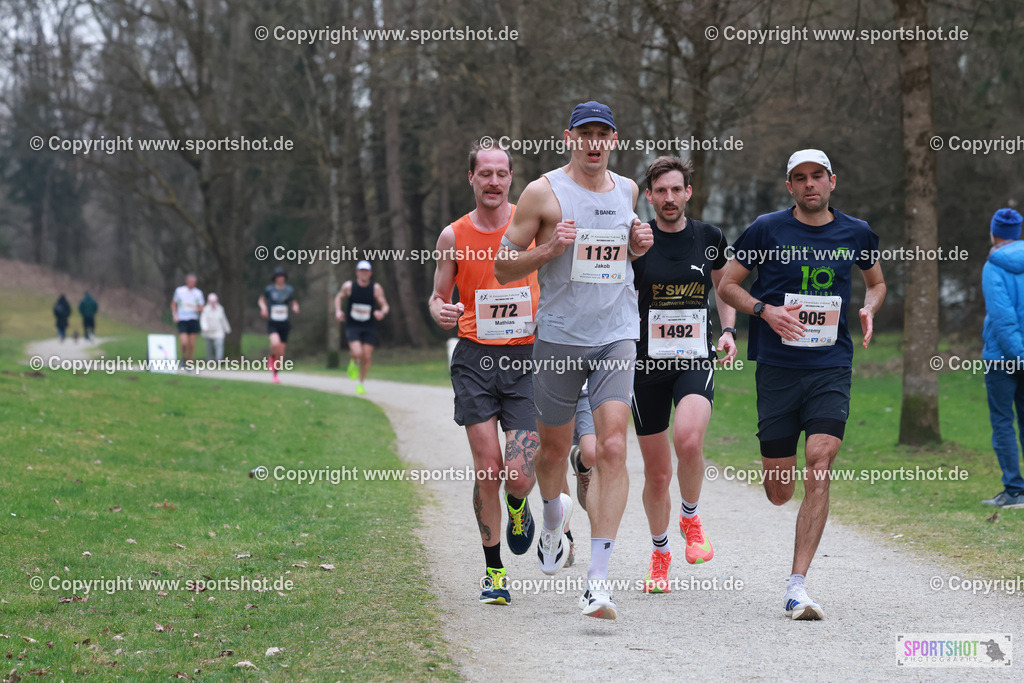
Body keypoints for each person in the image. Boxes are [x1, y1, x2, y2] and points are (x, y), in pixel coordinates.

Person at [495, 101, 654, 619]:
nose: (593, 143)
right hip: (560, 339)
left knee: (611, 447)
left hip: (617, 334)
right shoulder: (543, 192)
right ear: (569, 137)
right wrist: (545, 251)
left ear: (614, 139)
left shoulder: (628, 190)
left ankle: (598, 580)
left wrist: (636, 246)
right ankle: (550, 516)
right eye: (584, 133)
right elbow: (501, 266)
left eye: (602, 134)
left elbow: (621, 254)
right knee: (551, 451)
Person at [718, 149, 886, 620]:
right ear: (789, 186)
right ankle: (778, 478)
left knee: (820, 460)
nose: (809, 184)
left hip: (830, 366)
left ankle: (797, 586)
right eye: (799, 178)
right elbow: (728, 284)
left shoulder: (856, 232)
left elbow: (876, 282)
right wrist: (763, 310)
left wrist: (870, 306)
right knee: (778, 489)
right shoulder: (766, 229)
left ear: (832, 181)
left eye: (817, 176)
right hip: (777, 369)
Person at [428, 141, 539, 605]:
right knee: (488, 467)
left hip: (526, 359)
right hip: (474, 359)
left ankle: (519, 505)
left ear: (511, 178)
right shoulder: (452, 236)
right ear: (470, 178)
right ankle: (494, 573)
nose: (493, 181)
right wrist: (441, 311)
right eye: (485, 173)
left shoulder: (531, 227)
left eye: (501, 173)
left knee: (518, 473)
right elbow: (437, 296)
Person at [631, 156, 738, 593]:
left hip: (694, 357)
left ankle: (691, 519)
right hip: (644, 365)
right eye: (661, 191)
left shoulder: (708, 236)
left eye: (677, 190)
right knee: (657, 475)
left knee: (689, 438)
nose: (669, 198)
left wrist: (729, 329)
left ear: (688, 192)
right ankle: (659, 555)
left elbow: (725, 286)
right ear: (650, 196)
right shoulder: (636, 240)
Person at [981, 207, 1024, 509]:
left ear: (994, 233)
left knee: (1003, 422)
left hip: (1001, 359)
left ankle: (1014, 491)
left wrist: (1018, 355)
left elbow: (1002, 317)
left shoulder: (993, 265)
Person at [335, 261, 390, 395]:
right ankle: (353, 362)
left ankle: (360, 383)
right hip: (353, 325)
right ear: (357, 272)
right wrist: (338, 311)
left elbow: (385, 305)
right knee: (358, 353)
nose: (364, 273)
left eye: (366, 271)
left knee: (366, 356)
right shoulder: (349, 286)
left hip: (369, 326)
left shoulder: (375, 288)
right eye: (361, 270)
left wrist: (381, 312)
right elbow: (338, 297)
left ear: (370, 273)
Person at [258, 267, 299, 384]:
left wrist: (295, 307)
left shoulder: (289, 290)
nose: (280, 279)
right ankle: (271, 356)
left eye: (281, 276)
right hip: (273, 322)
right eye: (277, 277)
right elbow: (261, 300)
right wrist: (264, 308)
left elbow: (294, 301)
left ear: (284, 277)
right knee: (275, 344)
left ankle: (275, 374)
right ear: (275, 278)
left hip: (285, 323)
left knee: (280, 352)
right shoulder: (269, 290)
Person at [171, 274, 204, 369]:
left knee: (192, 343)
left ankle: (189, 361)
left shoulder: (198, 293)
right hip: (183, 319)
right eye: (190, 281)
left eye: (194, 282)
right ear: (187, 281)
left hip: (193, 319)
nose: (192, 284)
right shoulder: (179, 291)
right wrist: (175, 315)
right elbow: (174, 304)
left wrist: (198, 309)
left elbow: (201, 306)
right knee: (184, 342)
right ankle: (183, 357)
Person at [200, 293, 232, 363]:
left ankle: (219, 360)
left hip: (218, 331)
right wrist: (204, 328)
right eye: (211, 301)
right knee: (209, 347)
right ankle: (210, 361)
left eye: (214, 301)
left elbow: (223, 319)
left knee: (219, 344)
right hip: (208, 331)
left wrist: (227, 328)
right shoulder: (205, 309)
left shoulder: (220, 309)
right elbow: (203, 320)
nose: (213, 303)